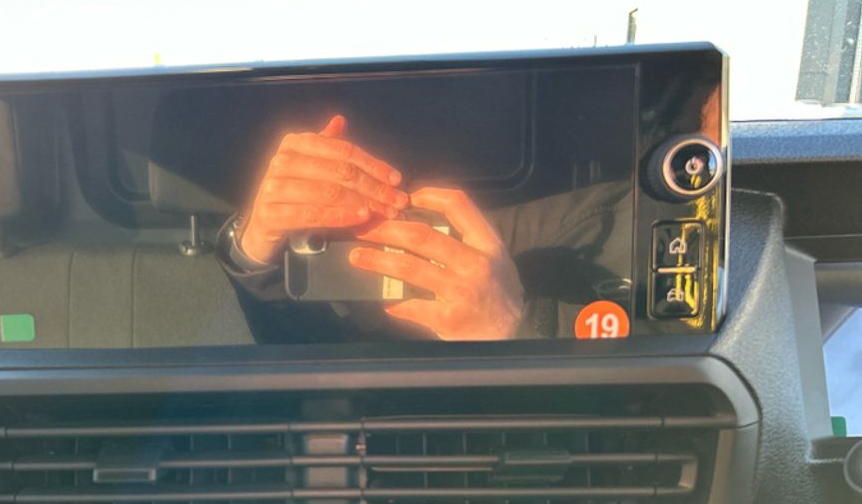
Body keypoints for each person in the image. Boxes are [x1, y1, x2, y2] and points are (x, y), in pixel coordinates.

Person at [216, 113, 628, 342]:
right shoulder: (604, 216)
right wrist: (255, 256)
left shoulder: (603, 220)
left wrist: (519, 329)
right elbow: (323, 381)